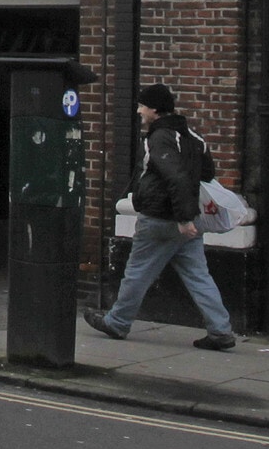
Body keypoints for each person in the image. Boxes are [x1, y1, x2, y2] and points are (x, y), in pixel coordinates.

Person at [84, 83, 236, 352]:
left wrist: (183, 218)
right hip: (188, 221)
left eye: (142, 105)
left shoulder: (159, 138)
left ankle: (117, 322)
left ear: (154, 109)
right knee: (199, 276)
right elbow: (207, 173)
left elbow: (175, 177)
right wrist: (188, 217)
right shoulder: (194, 137)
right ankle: (221, 330)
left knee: (137, 273)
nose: (139, 111)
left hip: (161, 218)